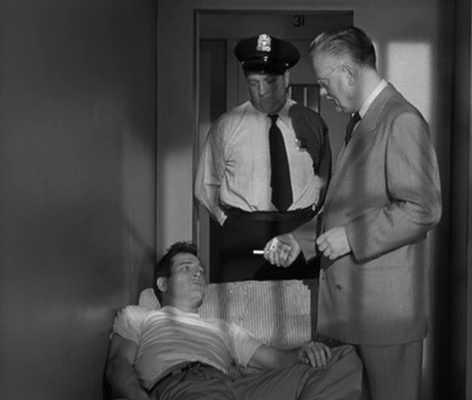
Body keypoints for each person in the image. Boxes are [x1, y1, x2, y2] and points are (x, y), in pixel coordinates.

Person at [264, 26, 442, 400]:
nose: (323, 93)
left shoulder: (400, 120)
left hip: (385, 314)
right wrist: (299, 241)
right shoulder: (361, 123)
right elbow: (345, 209)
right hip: (355, 310)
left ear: (348, 72)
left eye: (324, 82)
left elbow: (423, 208)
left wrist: (350, 237)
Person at [105, 241, 363, 400]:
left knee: (343, 359)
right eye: (186, 268)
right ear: (163, 283)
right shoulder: (139, 316)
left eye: (200, 271)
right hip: (183, 385)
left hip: (235, 388)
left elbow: (276, 360)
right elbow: (118, 365)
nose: (197, 274)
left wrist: (302, 352)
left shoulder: (223, 328)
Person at [195, 33, 331, 282]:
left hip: (297, 230)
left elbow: (325, 180)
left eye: (269, 82)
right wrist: (229, 222)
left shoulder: (311, 123)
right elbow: (206, 185)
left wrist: (308, 226)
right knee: (241, 303)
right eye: (253, 83)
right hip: (244, 232)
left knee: (300, 300)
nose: (261, 91)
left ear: (285, 78)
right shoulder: (227, 125)